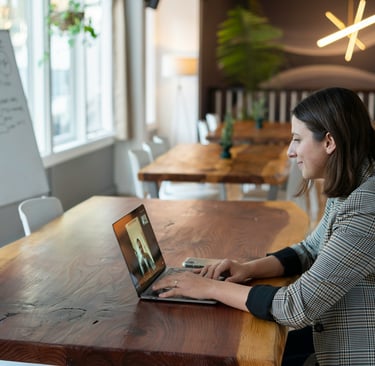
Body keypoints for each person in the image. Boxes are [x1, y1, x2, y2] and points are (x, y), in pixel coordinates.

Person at [152, 87, 375, 366]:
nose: (290, 152)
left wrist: (209, 289)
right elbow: (309, 249)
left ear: (329, 142)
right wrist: (248, 268)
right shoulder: (352, 183)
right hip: (334, 331)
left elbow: (297, 306)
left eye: (297, 139)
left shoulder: (367, 205)